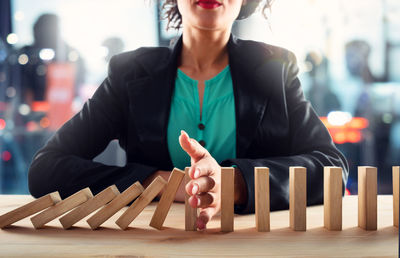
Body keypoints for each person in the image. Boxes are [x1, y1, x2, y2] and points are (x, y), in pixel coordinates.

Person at [28, 0, 348, 230]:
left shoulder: (275, 67)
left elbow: (332, 168)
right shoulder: (130, 73)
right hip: (150, 244)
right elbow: (45, 169)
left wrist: (235, 183)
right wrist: (161, 183)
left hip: (255, 246)